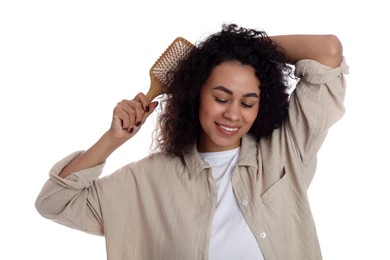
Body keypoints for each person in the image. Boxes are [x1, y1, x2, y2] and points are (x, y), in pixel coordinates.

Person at [35, 24, 348, 260]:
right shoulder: (148, 180)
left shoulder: (286, 148)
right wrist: (112, 139)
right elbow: (55, 203)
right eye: (221, 97)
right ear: (195, 93)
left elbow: (327, 51)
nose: (233, 114)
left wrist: (234, 49)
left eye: (247, 103)